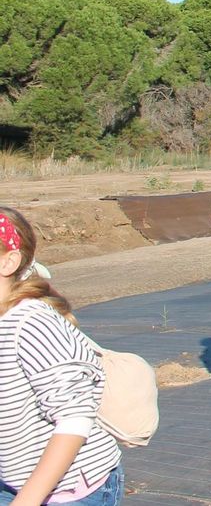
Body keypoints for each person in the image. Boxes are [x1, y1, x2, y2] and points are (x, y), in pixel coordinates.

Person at [0, 208, 124, 506]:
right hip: (14, 479)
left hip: (72, 490)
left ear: (9, 261)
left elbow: (74, 418)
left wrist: (26, 501)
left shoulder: (30, 322)